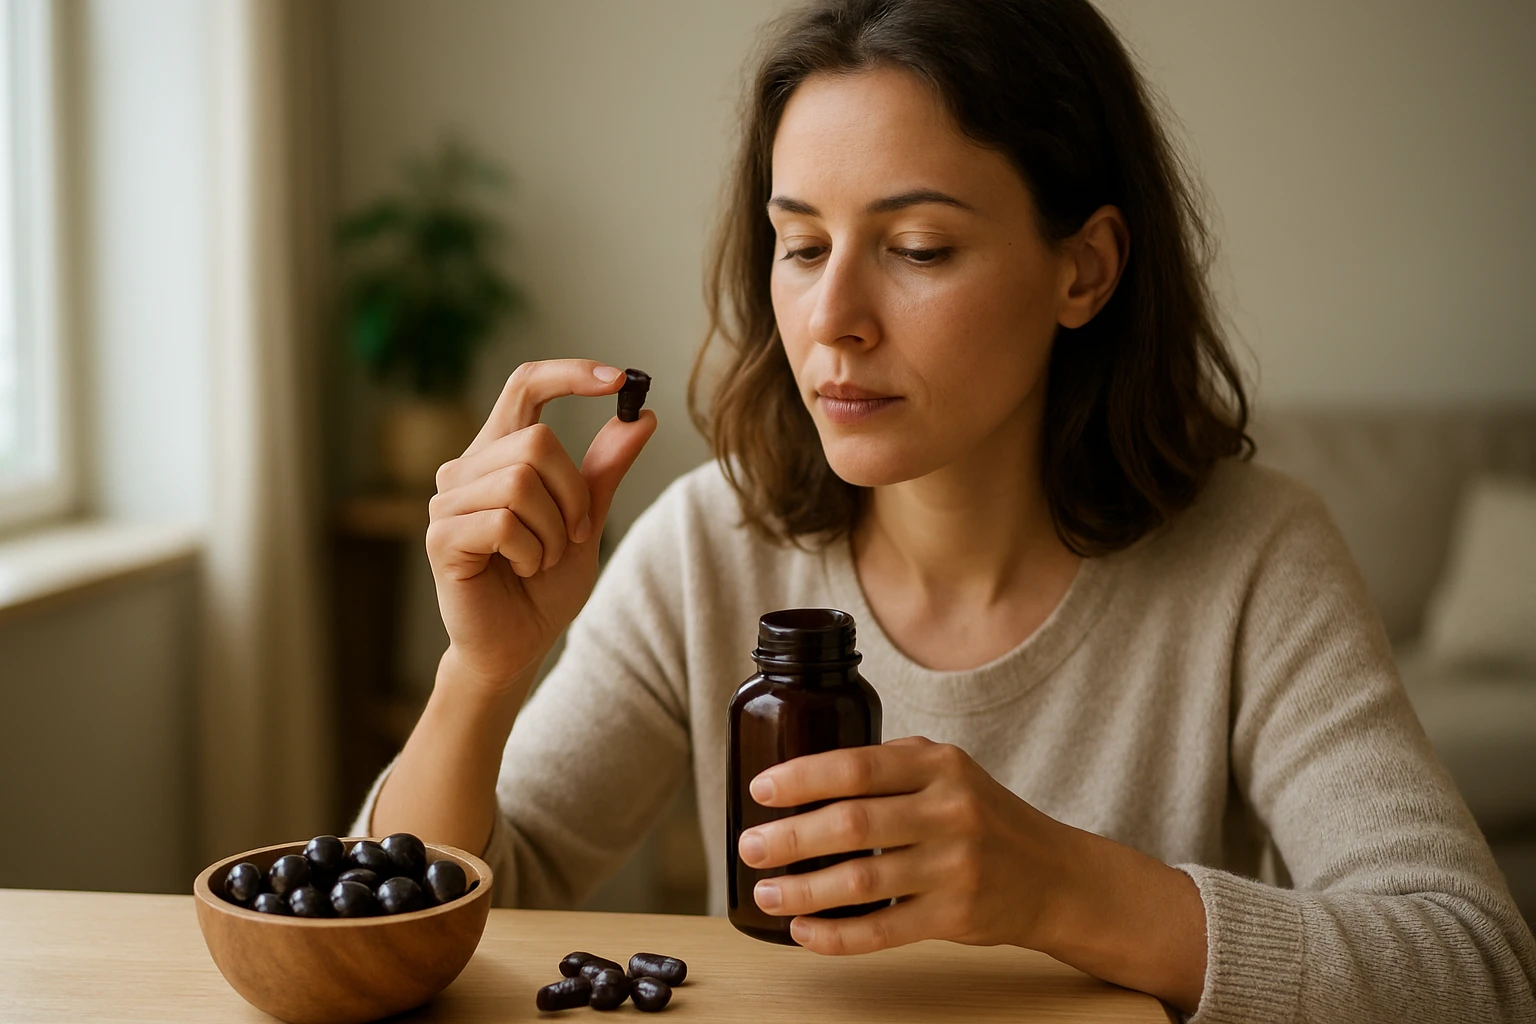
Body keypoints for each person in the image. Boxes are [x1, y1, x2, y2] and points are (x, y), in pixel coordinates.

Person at [353, 0, 1536, 1019]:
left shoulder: (1256, 556)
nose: (832, 321)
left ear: (1085, 270)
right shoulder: (710, 542)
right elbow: (402, 927)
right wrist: (481, 676)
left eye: (917, 248)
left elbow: (1475, 971)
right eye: (801, 244)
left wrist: (1061, 887)